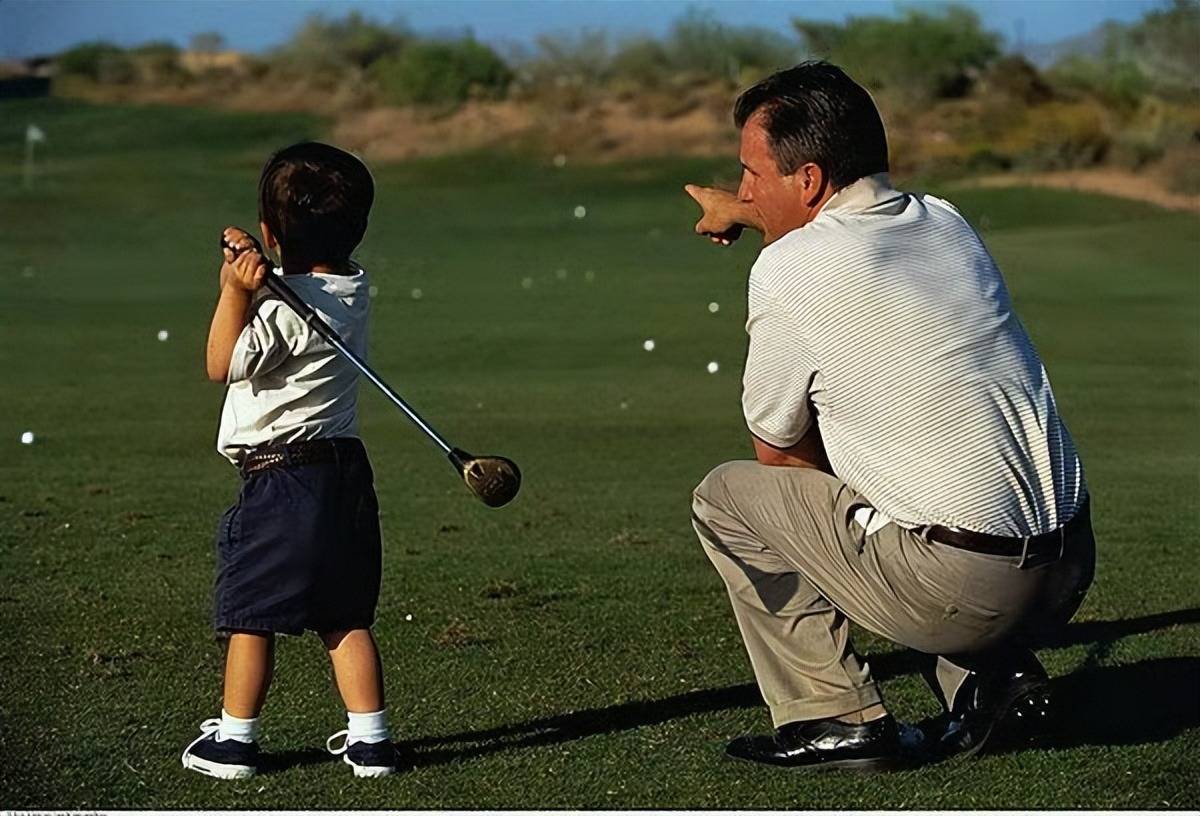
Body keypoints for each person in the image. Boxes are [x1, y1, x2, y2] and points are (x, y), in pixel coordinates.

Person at [684, 61, 1095, 771]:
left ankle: (834, 718)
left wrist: (859, 517)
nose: (743, 188)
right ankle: (991, 676)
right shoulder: (943, 220)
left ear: (808, 180)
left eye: (750, 172)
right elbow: (840, 222)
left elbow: (780, 459)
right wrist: (752, 213)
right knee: (898, 481)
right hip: (1067, 568)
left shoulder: (787, 271)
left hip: (967, 591)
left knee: (729, 498)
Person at [181, 142, 398, 779]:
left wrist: (232, 291)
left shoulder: (279, 310)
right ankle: (371, 741)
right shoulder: (351, 290)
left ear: (274, 234)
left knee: (251, 616)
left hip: (281, 479)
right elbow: (308, 276)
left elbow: (221, 362)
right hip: (343, 474)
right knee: (344, 614)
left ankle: (236, 741)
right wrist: (266, 264)